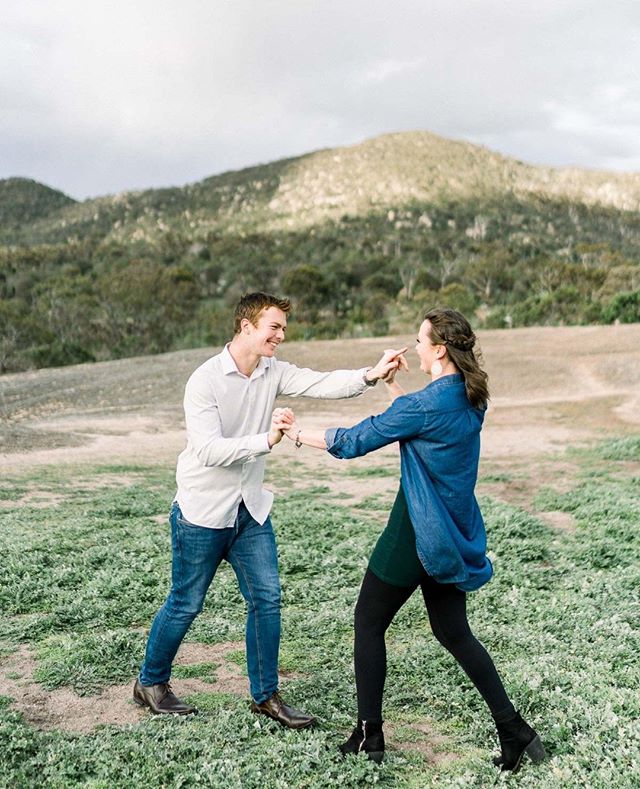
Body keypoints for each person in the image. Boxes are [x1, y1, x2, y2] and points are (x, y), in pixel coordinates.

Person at [275, 307, 546, 771]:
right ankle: (516, 731)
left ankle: (370, 735)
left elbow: (357, 440)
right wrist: (391, 385)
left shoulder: (424, 406)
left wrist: (296, 433)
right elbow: (420, 424)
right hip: (451, 537)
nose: (415, 347)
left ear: (439, 349)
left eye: (420, 341)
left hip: (413, 530)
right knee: (454, 632)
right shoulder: (470, 396)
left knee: (368, 620)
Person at [133, 291, 406, 729]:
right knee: (185, 603)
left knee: (268, 599)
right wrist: (267, 441)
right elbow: (206, 450)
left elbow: (320, 383)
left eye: (282, 327)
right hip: (202, 512)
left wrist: (371, 374)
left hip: (250, 511)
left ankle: (265, 696)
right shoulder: (204, 381)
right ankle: (150, 683)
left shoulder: (271, 371)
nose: (281, 334)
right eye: (274, 326)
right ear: (246, 327)